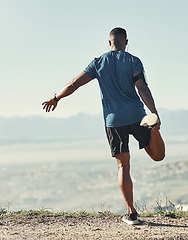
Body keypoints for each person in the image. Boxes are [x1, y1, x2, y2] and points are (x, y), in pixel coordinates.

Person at [41, 27, 165, 225]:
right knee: (158, 156)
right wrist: (154, 113)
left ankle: (132, 213)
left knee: (123, 166)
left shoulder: (98, 62)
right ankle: (154, 130)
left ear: (109, 43)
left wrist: (56, 98)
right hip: (136, 115)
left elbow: (74, 83)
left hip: (114, 121)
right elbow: (142, 87)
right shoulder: (133, 60)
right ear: (126, 42)